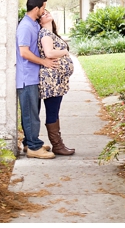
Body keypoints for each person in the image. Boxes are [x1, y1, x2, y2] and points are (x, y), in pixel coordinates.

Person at [16, 0, 59, 159]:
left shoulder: (33, 24)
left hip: (34, 77)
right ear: (36, 8)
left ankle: (29, 142)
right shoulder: (25, 27)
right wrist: (44, 62)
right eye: (43, 8)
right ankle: (34, 147)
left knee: (33, 112)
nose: (44, 10)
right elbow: (24, 52)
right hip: (27, 77)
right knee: (30, 114)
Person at [38, 11, 76, 155]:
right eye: (43, 14)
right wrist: (65, 51)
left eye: (47, 12)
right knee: (52, 111)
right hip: (52, 80)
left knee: (54, 111)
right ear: (40, 21)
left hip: (56, 79)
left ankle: (58, 144)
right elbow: (49, 53)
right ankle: (58, 146)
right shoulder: (46, 34)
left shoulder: (50, 33)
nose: (46, 14)